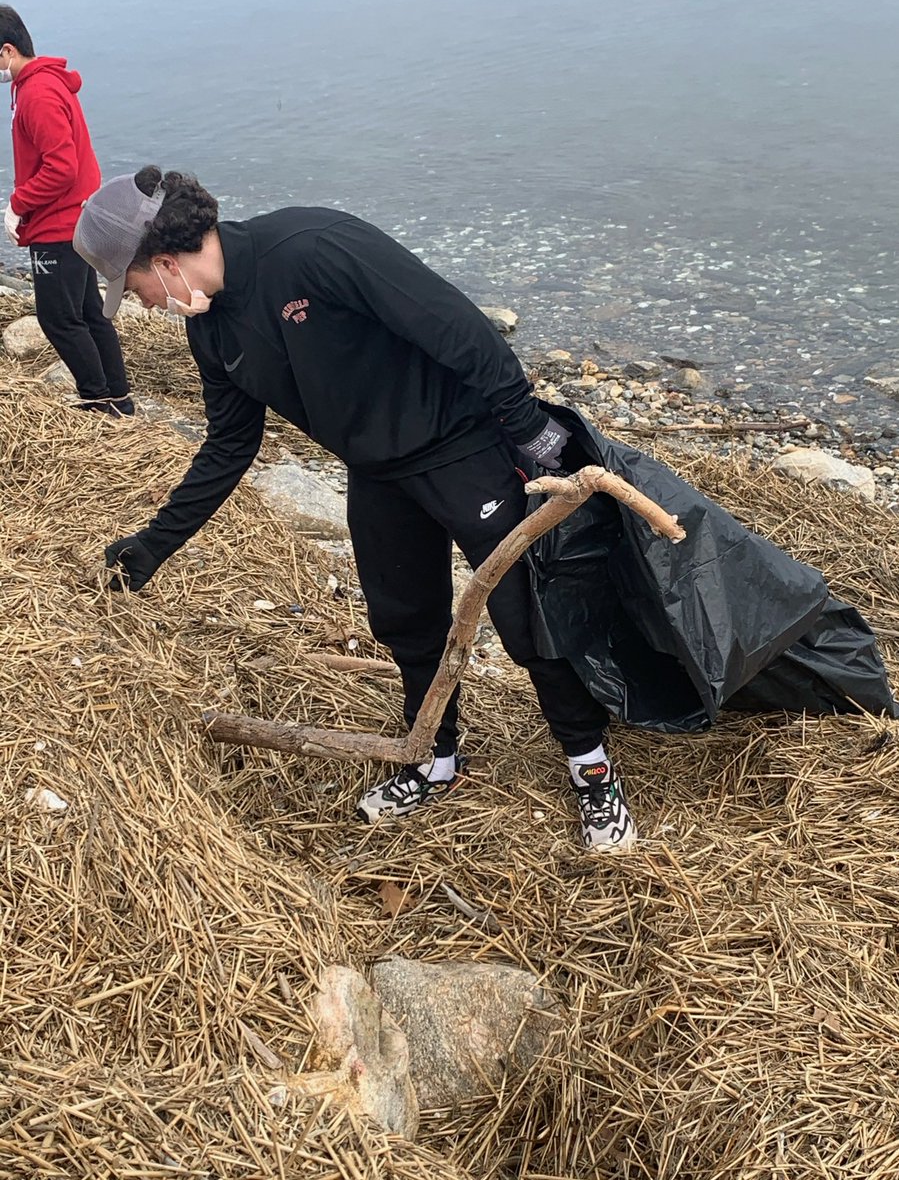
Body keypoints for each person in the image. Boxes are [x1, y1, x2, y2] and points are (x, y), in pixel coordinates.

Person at [74, 165, 636, 851]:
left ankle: (591, 770)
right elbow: (228, 445)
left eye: (135, 289)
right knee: (405, 621)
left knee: (526, 619)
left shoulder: (311, 248)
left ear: (163, 261)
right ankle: (435, 760)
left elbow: (454, 323)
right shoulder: (214, 331)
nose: (144, 305)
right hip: (377, 471)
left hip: (463, 448)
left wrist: (524, 426)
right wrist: (155, 542)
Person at [0, 5, 132, 417]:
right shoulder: (40, 85)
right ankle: (119, 398)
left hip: (59, 225)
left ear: (6, 51)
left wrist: (17, 204)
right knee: (89, 311)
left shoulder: (37, 93)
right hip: (77, 215)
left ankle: (97, 399)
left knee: (58, 318)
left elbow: (61, 167)